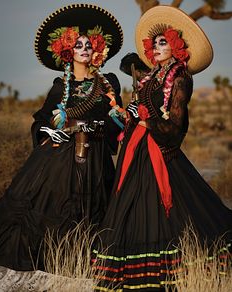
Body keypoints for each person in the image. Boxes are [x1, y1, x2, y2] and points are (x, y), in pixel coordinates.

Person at [92, 5, 232, 291]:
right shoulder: (153, 75)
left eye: (163, 42)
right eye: (153, 43)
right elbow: (146, 108)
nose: (156, 47)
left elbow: (176, 125)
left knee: (168, 207)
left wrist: (146, 120)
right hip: (138, 147)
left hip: (158, 148)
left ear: (176, 46)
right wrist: (131, 115)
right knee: (130, 203)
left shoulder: (179, 78)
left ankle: (172, 269)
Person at [0, 3, 124, 272]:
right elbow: (41, 119)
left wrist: (115, 121)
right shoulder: (60, 87)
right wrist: (48, 131)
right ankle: (55, 258)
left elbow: (116, 124)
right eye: (78, 45)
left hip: (97, 158)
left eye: (89, 44)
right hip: (61, 157)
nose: (84, 48)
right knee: (54, 207)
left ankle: (84, 261)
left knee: (95, 211)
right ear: (68, 51)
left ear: (96, 49)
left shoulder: (108, 83)